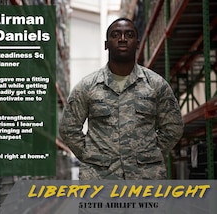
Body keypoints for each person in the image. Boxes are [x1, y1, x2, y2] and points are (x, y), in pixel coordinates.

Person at [59, 18, 184, 180]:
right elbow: (68, 129)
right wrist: (91, 156)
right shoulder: (87, 86)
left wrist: (150, 155)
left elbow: (173, 127)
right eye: (116, 35)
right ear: (106, 44)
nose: (123, 38)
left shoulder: (156, 84)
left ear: (138, 43)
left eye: (129, 35)